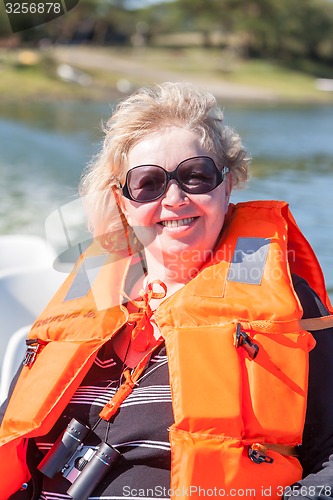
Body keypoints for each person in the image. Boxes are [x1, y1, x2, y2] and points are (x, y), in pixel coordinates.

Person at [1, 82, 333, 500]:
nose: (175, 198)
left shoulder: (285, 301)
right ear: (122, 202)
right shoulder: (89, 289)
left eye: (196, 176)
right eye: (149, 183)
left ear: (227, 185)